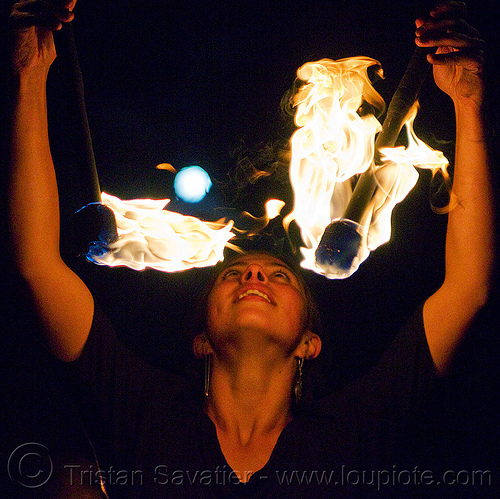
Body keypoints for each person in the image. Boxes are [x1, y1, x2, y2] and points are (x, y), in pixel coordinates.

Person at [7, 0, 494, 497]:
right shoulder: (138, 410)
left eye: (278, 276)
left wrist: (466, 99)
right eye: (235, 274)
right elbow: (37, 266)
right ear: (200, 339)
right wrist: (31, 70)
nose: (255, 276)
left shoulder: (351, 432)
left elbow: (469, 285)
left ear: (310, 342)